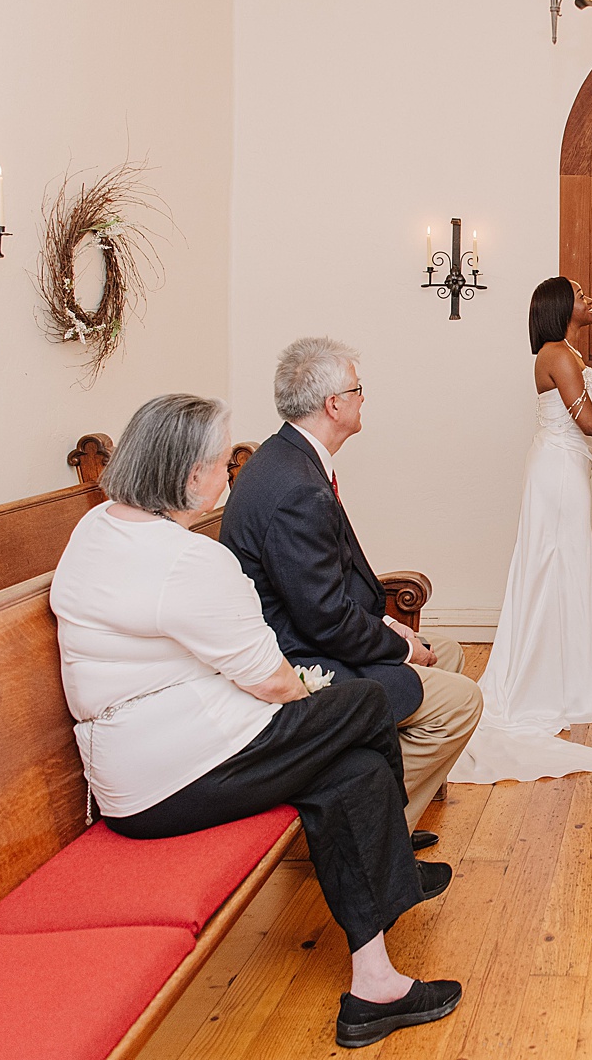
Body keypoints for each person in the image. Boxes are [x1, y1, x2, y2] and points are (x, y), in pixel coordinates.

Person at [50, 393, 460, 1048]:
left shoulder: (100, 526)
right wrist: (325, 714)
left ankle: (373, 986)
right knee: (362, 705)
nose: (230, 473)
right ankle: (394, 868)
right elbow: (272, 679)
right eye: (221, 461)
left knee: (347, 767)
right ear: (188, 477)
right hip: (174, 773)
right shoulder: (187, 559)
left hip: (141, 765)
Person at [220, 338, 482, 839]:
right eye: (358, 389)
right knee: (461, 701)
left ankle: (380, 821)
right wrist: (399, 643)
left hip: (308, 630)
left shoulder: (291, 459)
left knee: (444, 653)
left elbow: (325, 593)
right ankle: (364, 830)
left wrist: (390, 631)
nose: (364, 398)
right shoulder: (296, 485)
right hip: (296, 656)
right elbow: (324, 619)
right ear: (333, 404)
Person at [448, 277, 592, 784]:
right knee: (554, 563)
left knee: (564, 564)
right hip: (558, 470)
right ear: (560, 305)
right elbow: (588, 422)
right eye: (581, 295)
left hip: (568, 467)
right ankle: (546, 682)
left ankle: (562, 675)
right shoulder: (555, 352)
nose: (589, 300)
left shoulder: (565, 350)